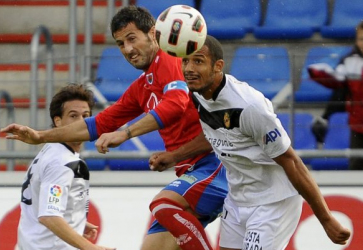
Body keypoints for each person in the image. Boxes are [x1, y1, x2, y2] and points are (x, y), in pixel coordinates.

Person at [2, 6, 228, 250]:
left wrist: (126, 132)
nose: (128, 49)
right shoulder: (142, 86)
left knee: (163, 205)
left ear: (153, 33)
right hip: (190, 172)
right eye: (121, 44)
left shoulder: (170, 59)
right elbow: (97, 125)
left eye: (132, 39)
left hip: (216, 165)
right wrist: (40, 136)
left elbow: (176, 103)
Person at [149, 35, 351, 250]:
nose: (189, 68)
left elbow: (292, 161)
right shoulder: (198, 95)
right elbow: (217, 133)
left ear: (218, 66)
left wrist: (326, 219)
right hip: (237, 200)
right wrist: (174, 156)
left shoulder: (249, 106)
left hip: (272, 202)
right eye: (185, 61)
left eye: (198, 61)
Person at [17, 84, 114, 250]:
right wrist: (90, 247)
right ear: (58, 121)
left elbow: (44, 203)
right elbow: (49, 216)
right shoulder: (61, 161)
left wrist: (74, 220)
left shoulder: (50, 150)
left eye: (85, 116)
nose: (81, 122)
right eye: (73, 116)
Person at [308, 20, 363, 170]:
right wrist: (319, 73)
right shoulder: (349, 60)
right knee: (356, 167)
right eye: (361, 39)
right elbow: (336, 80)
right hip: (358, 125)